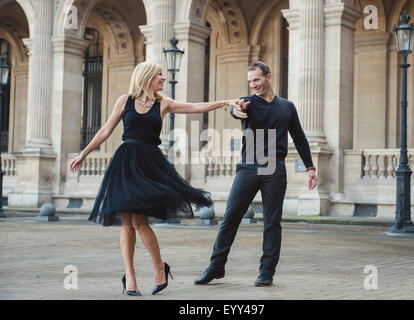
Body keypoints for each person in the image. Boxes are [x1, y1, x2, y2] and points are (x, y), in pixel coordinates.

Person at [69, 61, 238, 296]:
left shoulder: (163, 103)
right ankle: (130, 276)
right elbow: (104, 131)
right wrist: (83, 154)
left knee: (138, 222)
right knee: (127, 223)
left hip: (148, 163)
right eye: (159, 74)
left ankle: (159, 267)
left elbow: (195, 106)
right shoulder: (124, 101)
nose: (163, 78)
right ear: (147, 76)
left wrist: (224, 103)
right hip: (125, 163)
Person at [194, 61, 317, 287]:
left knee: (272, 223)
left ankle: (266, 272)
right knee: (230, 218)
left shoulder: (287, 107)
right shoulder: (247, 103)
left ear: (269, 77)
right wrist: (236, 110)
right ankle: (216, 267)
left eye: (257, 80)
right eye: (250, 82)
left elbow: (299, 137)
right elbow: (236, 109)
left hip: (274, 168)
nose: (254, 85)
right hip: (249, 167)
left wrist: (310, 167)